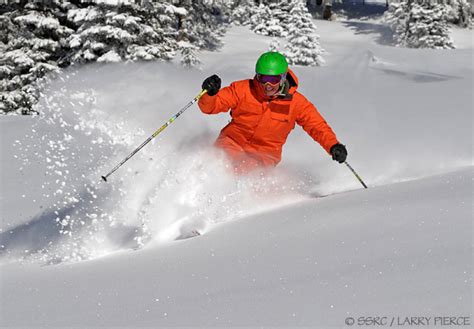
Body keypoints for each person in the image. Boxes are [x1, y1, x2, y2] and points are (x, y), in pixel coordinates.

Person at [198, 51, 347, 174]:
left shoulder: (297, 103)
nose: (267, 85)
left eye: (273, 79)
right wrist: (209, 94)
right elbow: (210, 107)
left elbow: (316, 126)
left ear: (283, 77)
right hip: (231, 142)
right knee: (215, 165)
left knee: (245, 173)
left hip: (263, 156)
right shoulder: (243, 89)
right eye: (263, 78)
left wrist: (333, 145)